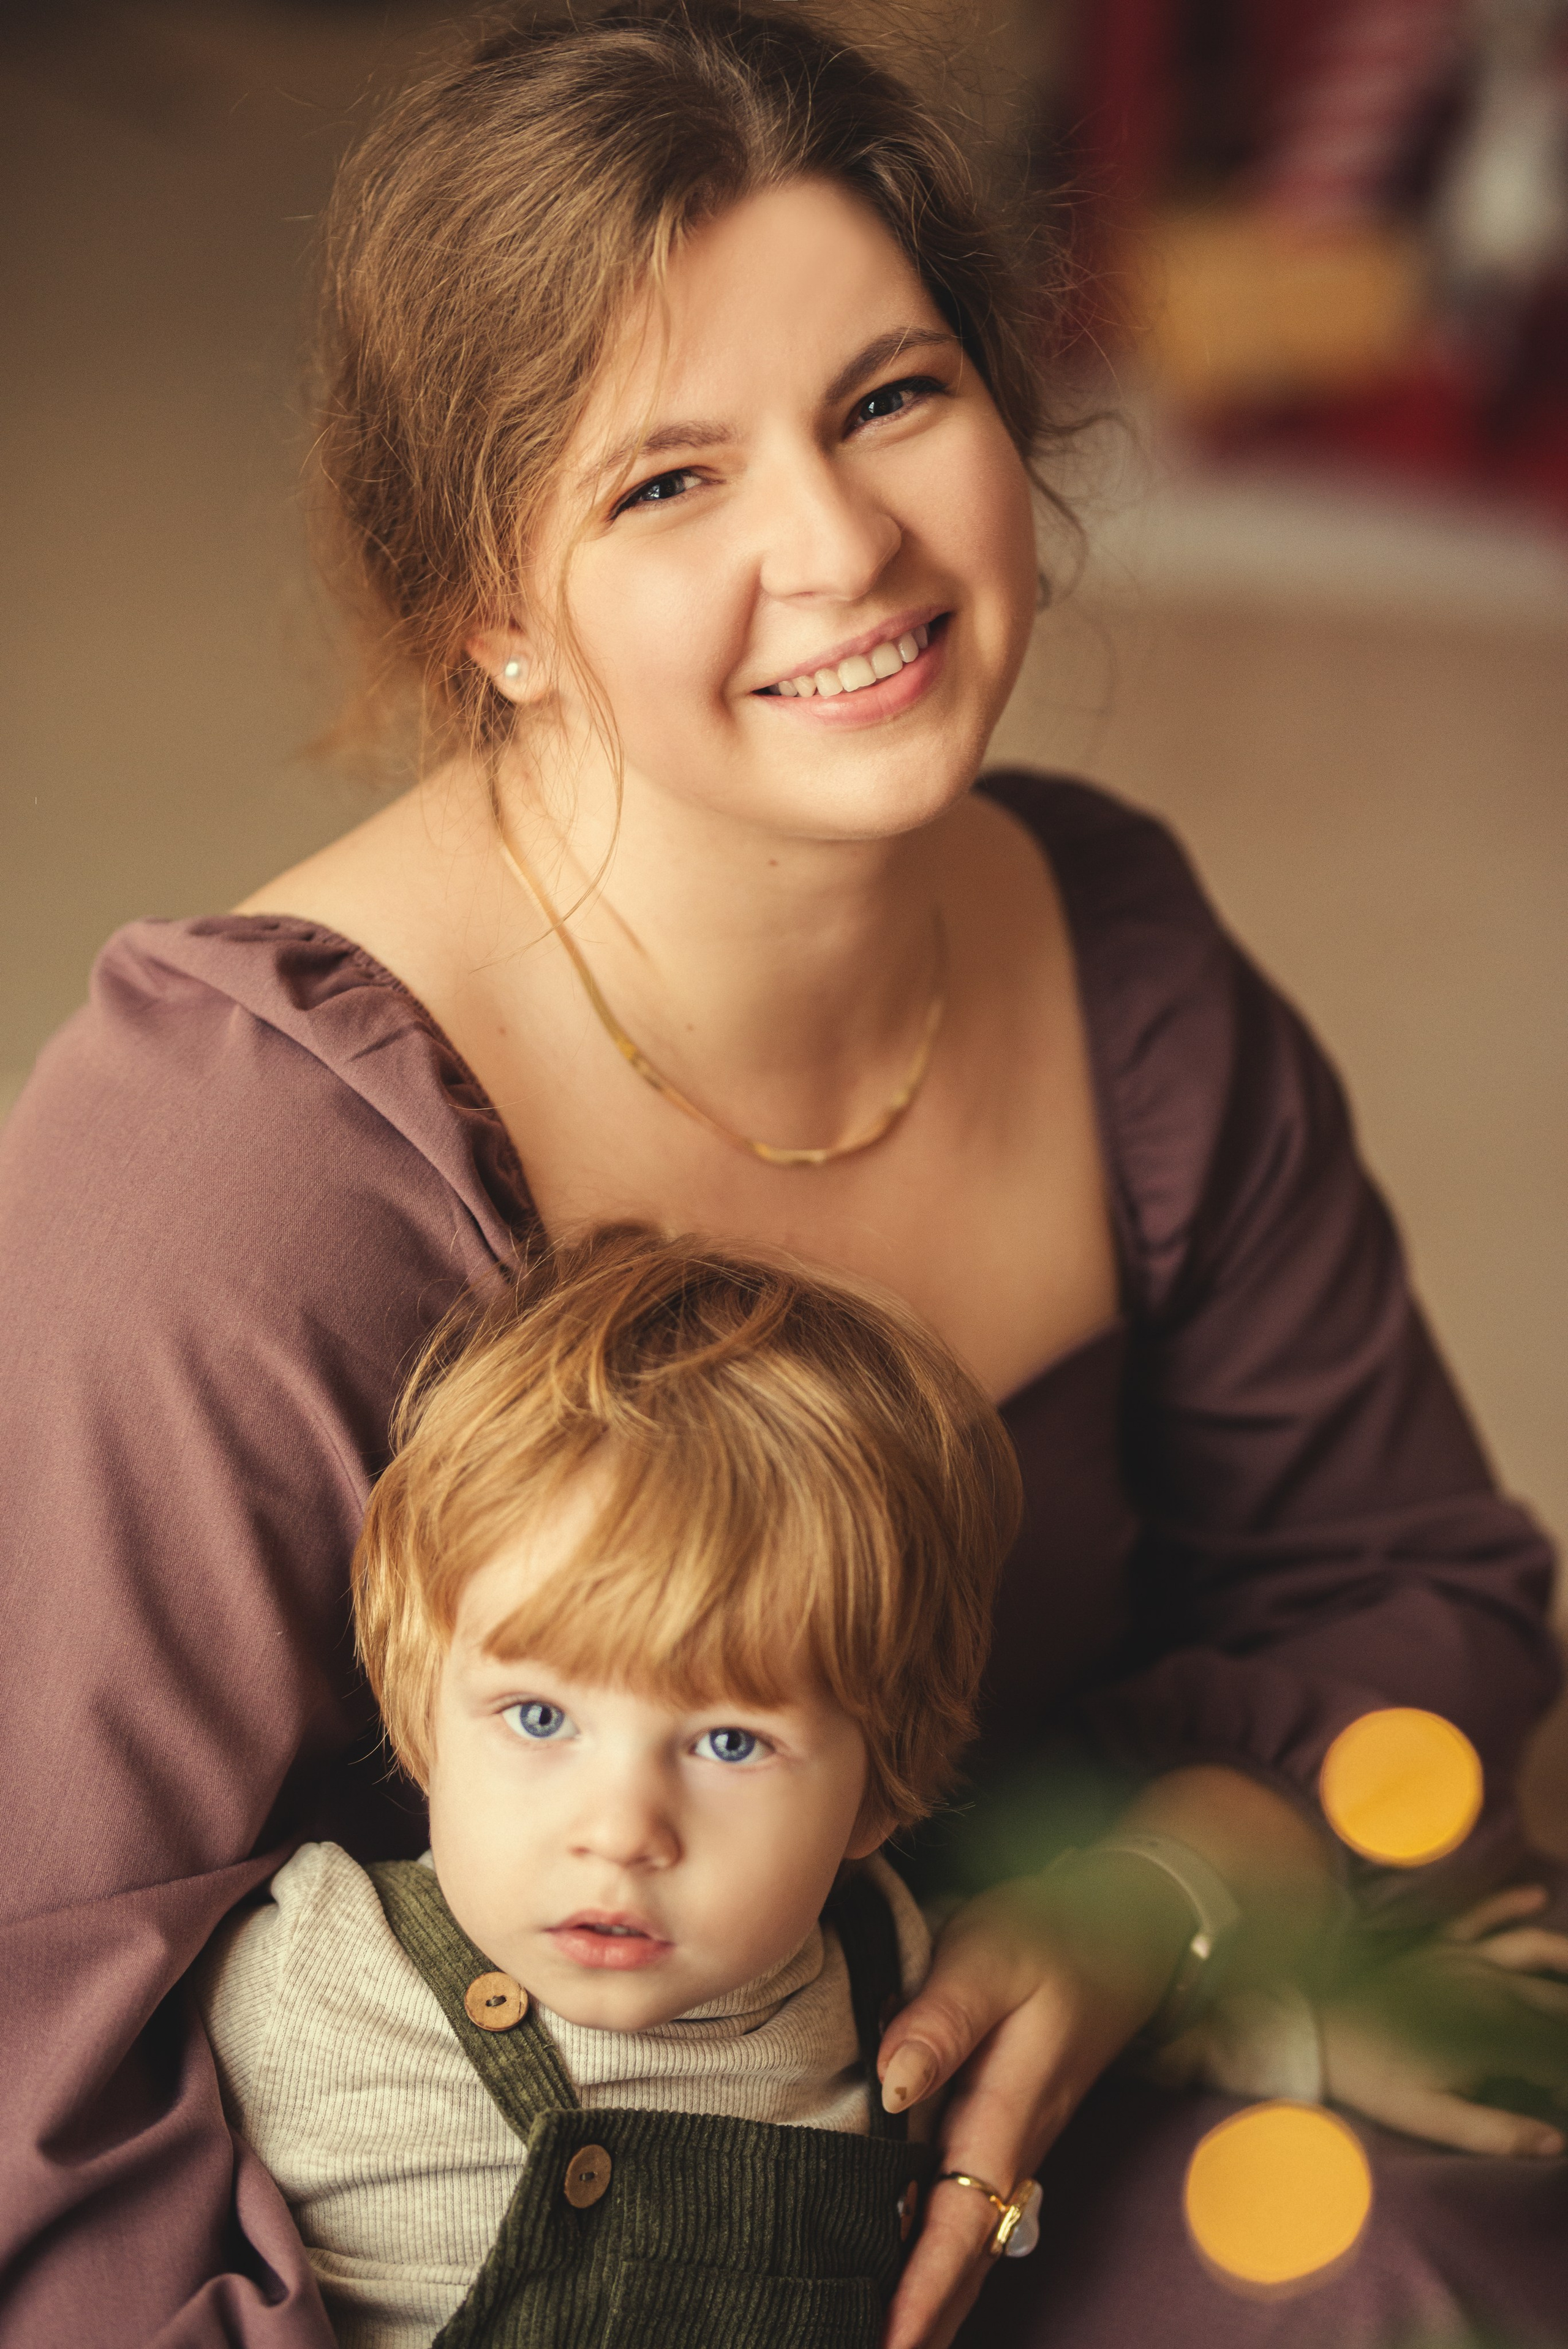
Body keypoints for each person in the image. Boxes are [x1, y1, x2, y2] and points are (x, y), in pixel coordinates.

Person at [0, 5, 1563, 2346]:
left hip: (1011, 2132)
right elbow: (41, 2080)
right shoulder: (238, 1160)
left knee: (1409, 2259)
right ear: (489, 617)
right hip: (459, 2277)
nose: (839, 544)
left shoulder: (1121, 966)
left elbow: (1424, 1596)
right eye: (666, 482)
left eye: (891, 398)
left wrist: (1175, 1876)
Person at [194, 1223, 1023, 2348]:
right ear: (423, 1712)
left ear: (881, 1790)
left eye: (731, 1743)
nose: (624, 1832)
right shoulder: (304, 1971)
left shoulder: (900, 1985)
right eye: (541, 1719)